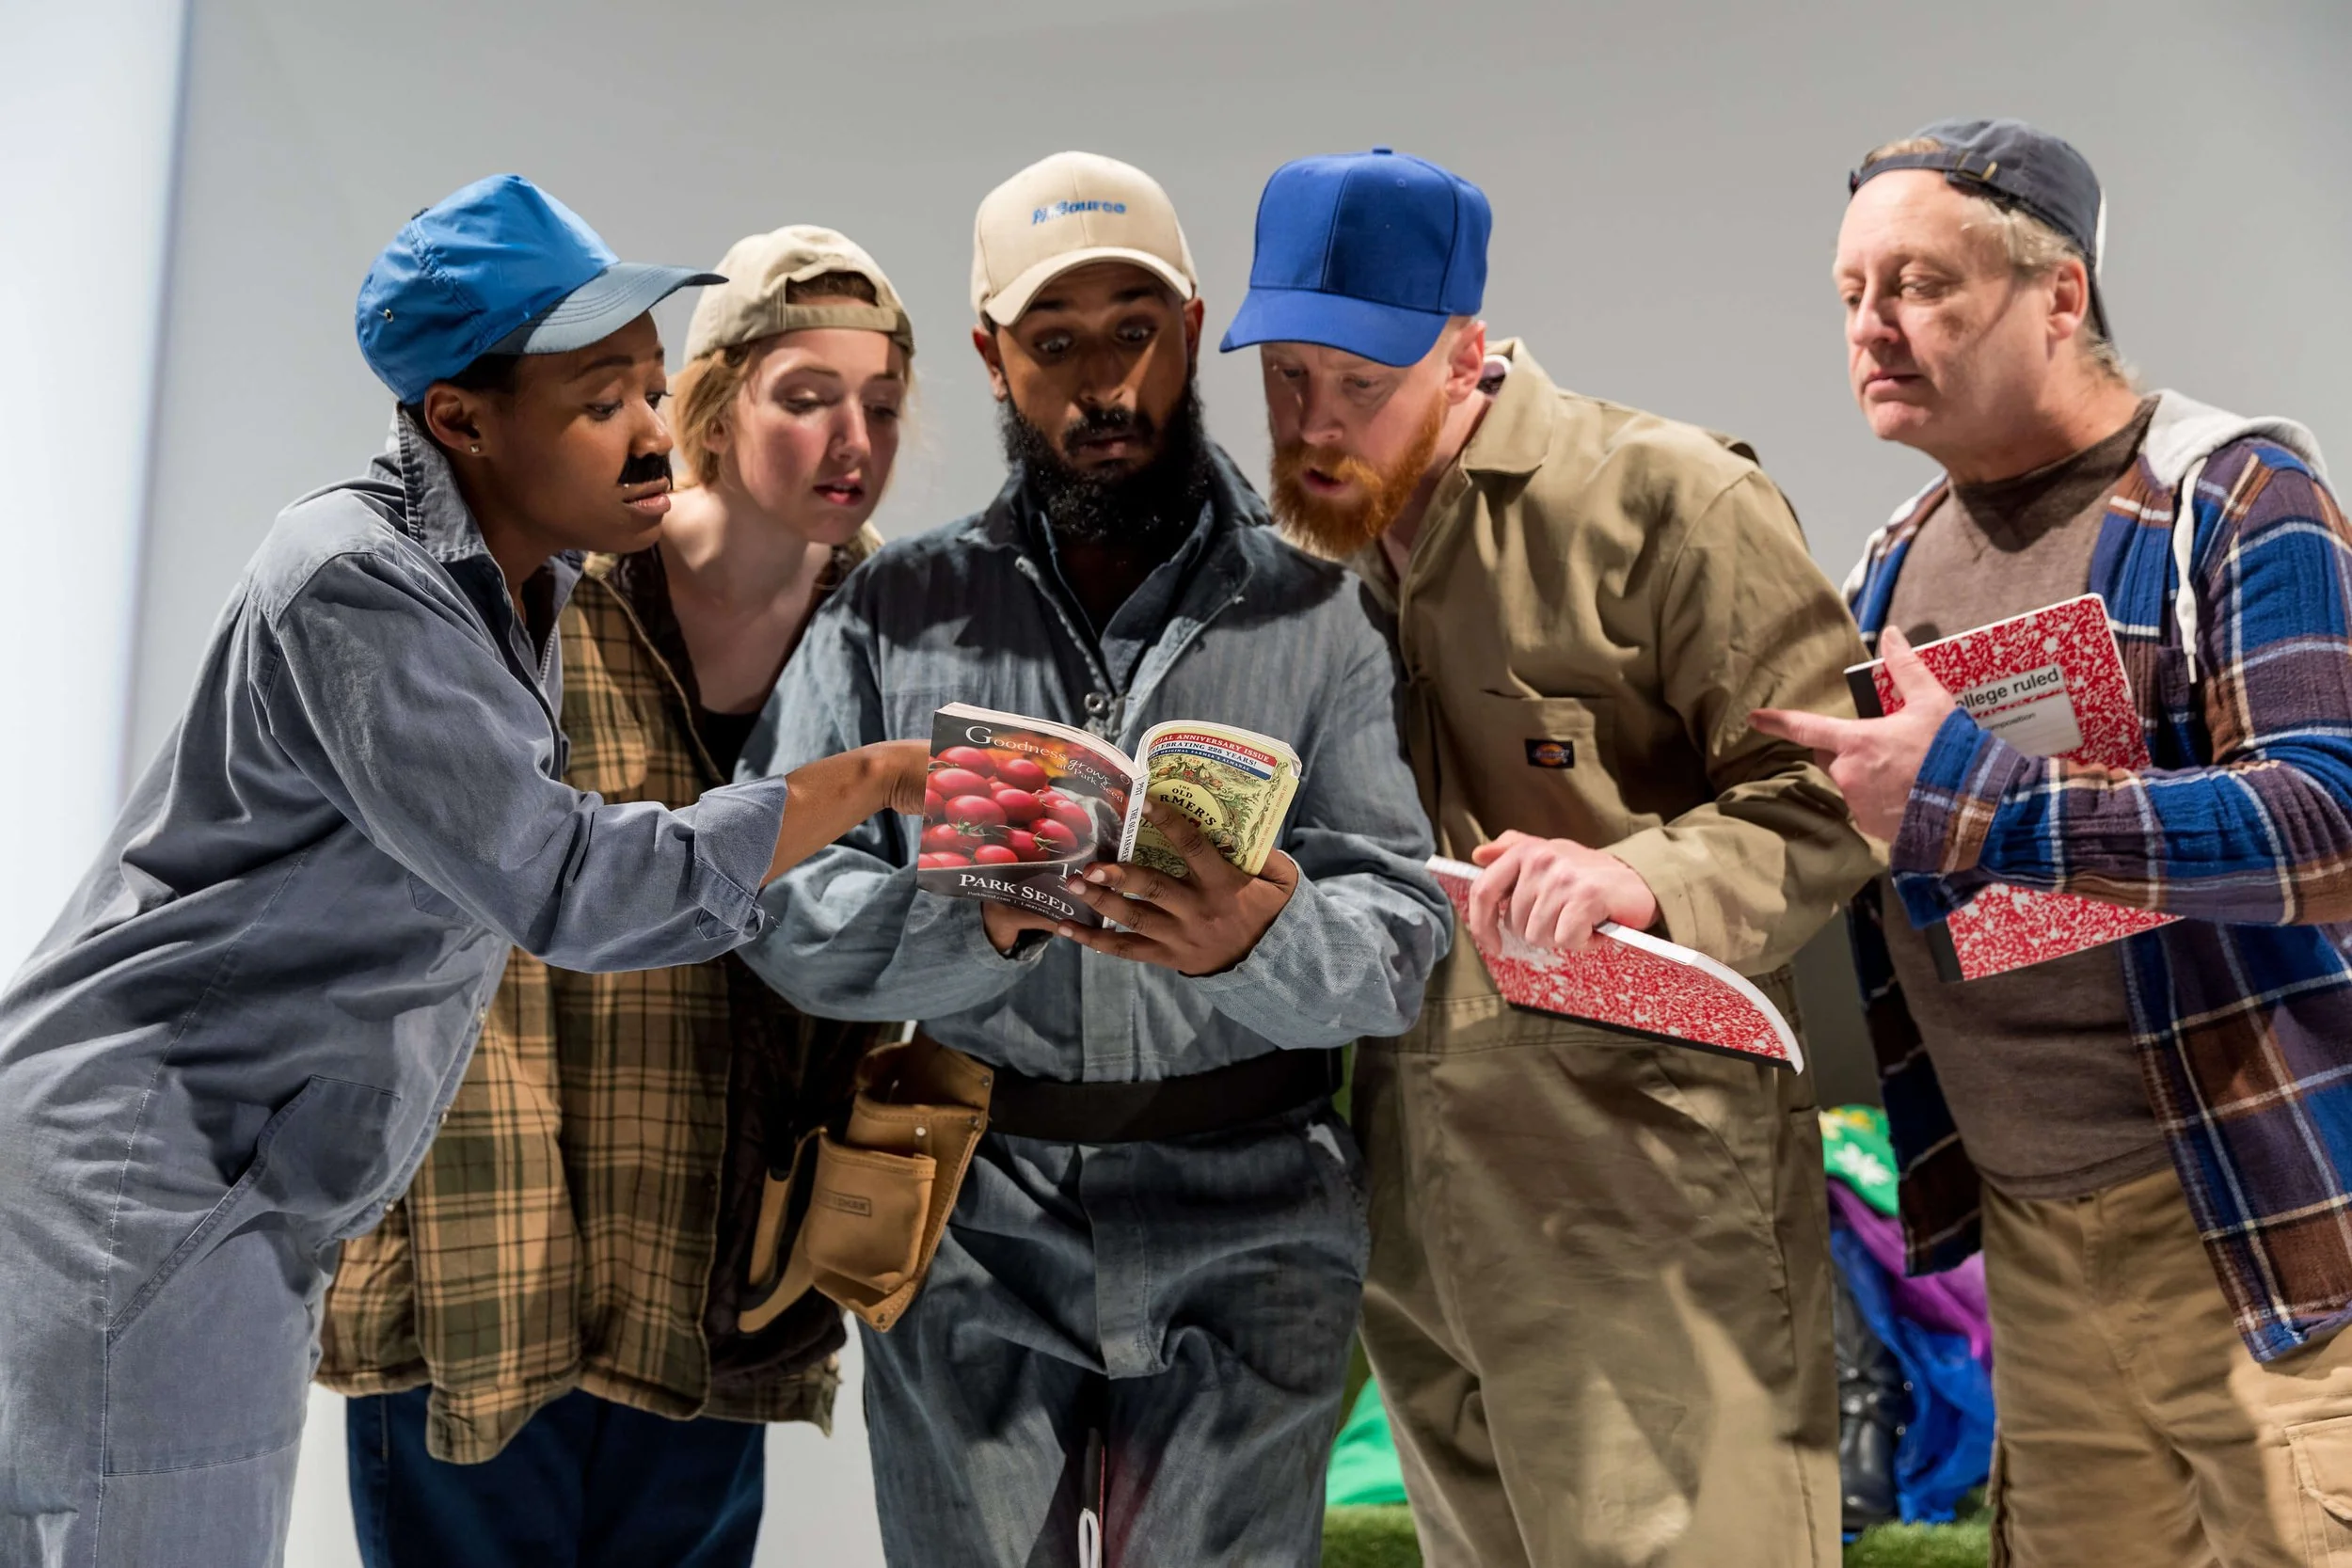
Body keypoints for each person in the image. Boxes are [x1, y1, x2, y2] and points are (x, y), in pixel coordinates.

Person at [0, 175, 929, 1568]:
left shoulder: (521, 582)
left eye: (655, 386)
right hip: (149, 1179)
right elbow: (566, 882)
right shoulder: (360, 582)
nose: (653, 436)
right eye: (600, 401)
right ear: (461, 421)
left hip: (240, 1180)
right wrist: (858, 783)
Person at [735, 150, 1450, 1566]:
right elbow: (778, 898)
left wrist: (1256, 933)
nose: (1103, 384)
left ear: (1190, 330)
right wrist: (977, 929)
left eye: (1134, 332)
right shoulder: (893, 608)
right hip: (973, 1211)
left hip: (1260, 1213)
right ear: (996, 359)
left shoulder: (1321, 609)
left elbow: (1407, 937)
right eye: (1054, 344)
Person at [1224, 148, 1878, 1568]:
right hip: (1415, 1213)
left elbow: (1838, 794)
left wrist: (1648, 878)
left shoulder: (1672, 501)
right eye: (1287, 381)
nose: (1316, 426)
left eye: (1362, 384)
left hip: (1646, 1217)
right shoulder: (1301, 571)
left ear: (1464, 354)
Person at [1753, 118, 2352, 1566]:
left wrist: (1989, 801)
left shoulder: (2234, 498)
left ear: (2060, 294)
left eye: (1918, 283)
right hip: (2029, 1241)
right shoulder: (1889, 561)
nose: (1873, 328)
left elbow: (2328, 823)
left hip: (2245, 1234)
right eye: (1849, 294)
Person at [316, 225, 918, 1567]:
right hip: (483, 1267)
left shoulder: (897, 638)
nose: (852, 439)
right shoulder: (533, 584)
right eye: (806, 395)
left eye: (880, 403)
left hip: (721, 1280)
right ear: (710, 402)